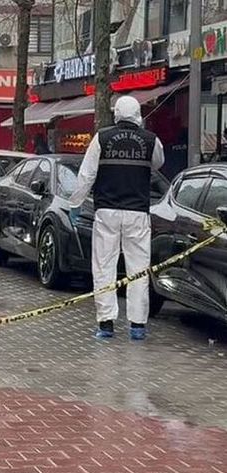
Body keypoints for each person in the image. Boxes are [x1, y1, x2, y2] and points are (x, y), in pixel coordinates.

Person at [69, 96, 164, 341]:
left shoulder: (102, 138)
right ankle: (137, 325)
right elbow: (159, 163)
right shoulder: (151, 140)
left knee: (104, 266)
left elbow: (86, 174)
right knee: (138, 269)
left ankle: (106, 323)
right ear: (138, 114)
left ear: (117, 114)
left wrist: (75, 204)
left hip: (107, 211)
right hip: (137, 213)